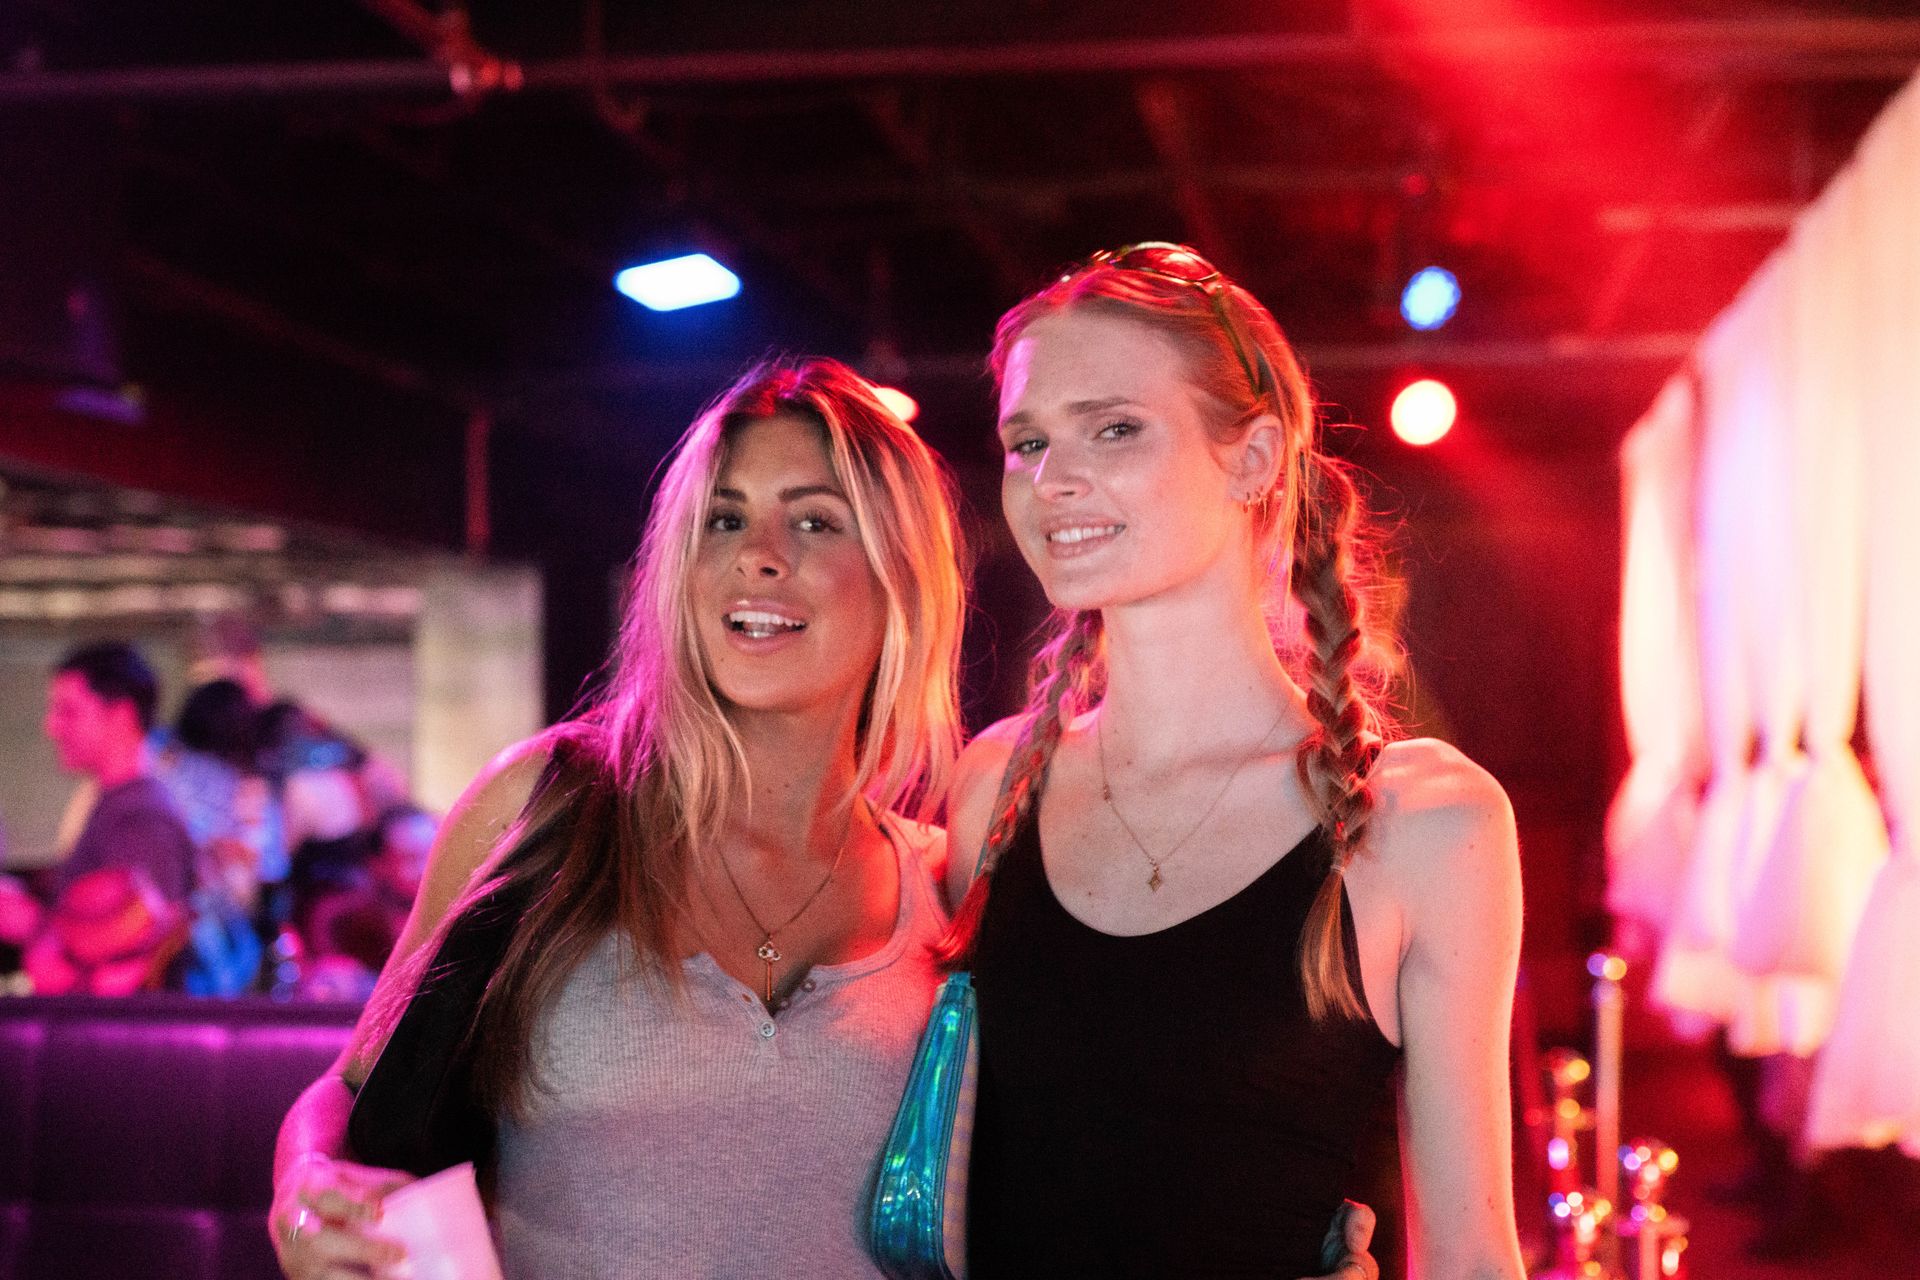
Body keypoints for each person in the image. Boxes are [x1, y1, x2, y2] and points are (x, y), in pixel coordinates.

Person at [943, 244, 1526, 1278]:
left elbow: (1471, 1257)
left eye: (1114, 427)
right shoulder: (994, 786)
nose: (1051, 480)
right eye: (1027, 441)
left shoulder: (1427, 820)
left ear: (1253, 458)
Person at [43, 641, 198, 908]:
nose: (51, 727)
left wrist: (28, 921)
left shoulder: (140, 817)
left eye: (69, 712)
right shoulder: (118, 803)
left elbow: (141, 930)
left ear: (121, 715)